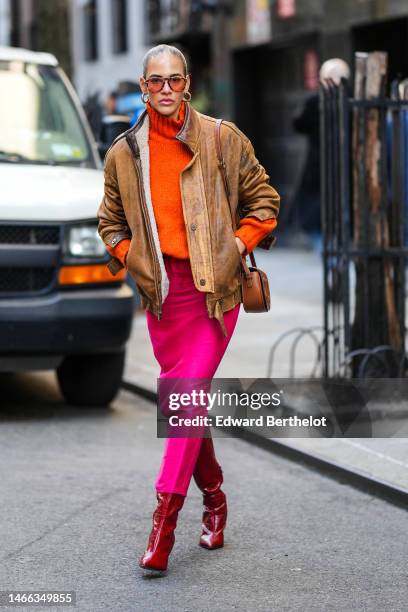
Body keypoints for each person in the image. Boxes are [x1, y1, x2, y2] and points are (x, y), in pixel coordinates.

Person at [97, 44, 280, 574]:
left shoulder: (222, 139)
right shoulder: (124, 154)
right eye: (156, 81)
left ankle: (164, 522)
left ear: (188, 83)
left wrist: (238, 247)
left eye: (175, 79)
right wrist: (129, 256)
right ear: (143, 87)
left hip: (214, 295)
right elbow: (110, 223)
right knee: (188, 403)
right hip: (162, 298)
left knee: (184, 399)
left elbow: (263, 202)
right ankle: (216, 499)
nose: (167, 89)